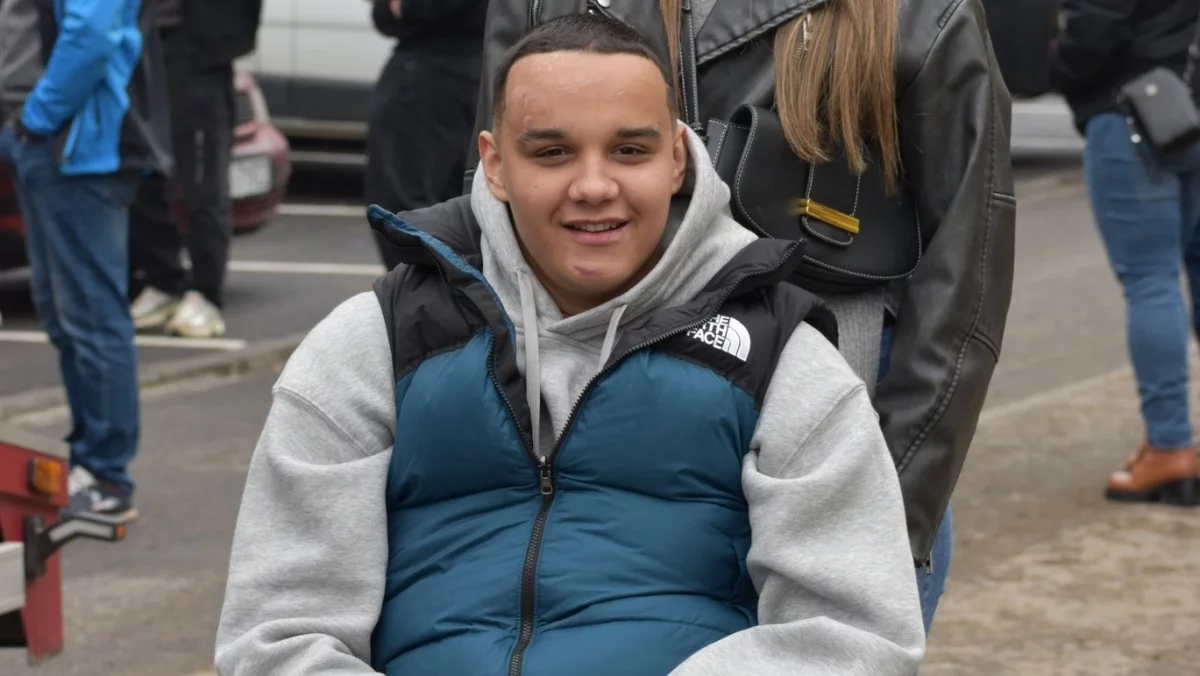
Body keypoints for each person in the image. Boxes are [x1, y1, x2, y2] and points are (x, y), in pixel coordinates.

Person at [216, 14, 925, 675]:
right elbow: (278, 631)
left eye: (630, 150)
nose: (594, 186)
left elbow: (853, 633)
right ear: (495, 164)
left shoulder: (779, 358)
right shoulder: (379, 340)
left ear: (677, 159)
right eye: (552, 152)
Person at [467, 0, 1017, 634]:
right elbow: (492, 228)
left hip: (835, 454)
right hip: (588, 487)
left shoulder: (916, 13)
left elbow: (966, 277)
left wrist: (885, 514)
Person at [0, 0, 172, 518]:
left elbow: (92, 33)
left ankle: (105, 475)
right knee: (66, 315)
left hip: (76, 146)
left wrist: (37, 118)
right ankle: (89, 461)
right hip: (54, 141)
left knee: (91, 317)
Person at [1050, 0, 1200, 504]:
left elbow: (1096, 27)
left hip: (1137, 111)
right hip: (1190, 106)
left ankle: (1170, 446)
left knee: (1151, 280)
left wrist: (1059, 67)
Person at [126, 0, 263, 338]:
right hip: (145, 46)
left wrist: (217, 44)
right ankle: (164, 281)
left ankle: (206, 293)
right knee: (143, 173)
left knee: (202, 183)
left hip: (199, 56)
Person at [365, 0, 488, 271]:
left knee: (407, 208)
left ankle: (428, 289)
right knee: (466, 205)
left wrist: (404, 6)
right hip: (477, 67)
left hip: (431, 73)